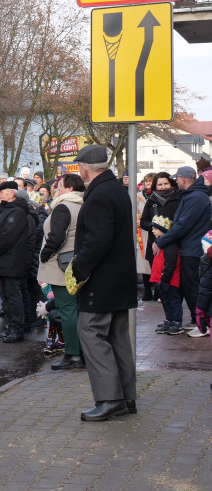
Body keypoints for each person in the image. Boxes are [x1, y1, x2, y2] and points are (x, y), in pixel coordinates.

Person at [71, 145, 138, 421]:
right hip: (119, 280)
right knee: (117, 336)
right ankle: (126, 397)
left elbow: (97, 241)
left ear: (85, 168)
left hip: (101, 280)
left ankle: (110, 399)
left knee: (91, 332)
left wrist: (78, 269)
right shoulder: (115, 189)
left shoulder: (99, 194)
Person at [151, 166, 211, 332]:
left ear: (183, 179)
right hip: (189, 248)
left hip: (192, 250)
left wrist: (162, 242)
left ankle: (200, 323)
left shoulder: (196, 197)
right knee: (190, 288)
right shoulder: (194, 195)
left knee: (193, 288)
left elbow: (183, 225)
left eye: (177, 178)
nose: (175, 181)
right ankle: (197, 321)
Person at [39, 173, 86, 369]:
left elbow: (57, 236)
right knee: (75, 309)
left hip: (61, 266)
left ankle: (72, 355)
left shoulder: (63, 206)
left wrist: (45, 254)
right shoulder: (81, 205)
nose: (56, 187)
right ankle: (80, 352)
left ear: (69, 188)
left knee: (67, 310)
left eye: (59, 185)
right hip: (75, 263)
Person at [0, 181, 33, 343]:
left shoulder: (17, 212)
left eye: (2, 192)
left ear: (11, 193)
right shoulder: (6, 210)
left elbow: (7, 238)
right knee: (7, 295)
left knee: (13, 296)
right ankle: (11, 326)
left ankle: (17, 328)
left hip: (12, 260)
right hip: (4, 260)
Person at [139, 172, 180, 302]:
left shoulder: (179, 198)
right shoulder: (152, 200)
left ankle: (171, 301)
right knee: (157, 273)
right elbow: (144, 220)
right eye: (160, 184)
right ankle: (160, 295)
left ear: (171, 183)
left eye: (166, 184)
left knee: (173, 274)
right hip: (155, 243)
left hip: (175, 242)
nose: (163, 187)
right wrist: (154, 227)